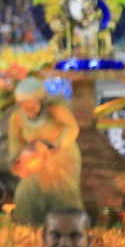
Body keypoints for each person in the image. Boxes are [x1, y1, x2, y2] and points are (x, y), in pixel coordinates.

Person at [8, 77, 83, 225]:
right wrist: (17, 159)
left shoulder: (56, 109)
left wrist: (57, 144)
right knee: (26, 195)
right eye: (24, 107)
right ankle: (29, 233)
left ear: (41, 101)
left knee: (61, 194)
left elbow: (72, 128)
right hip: (35, 163)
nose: (28, 111)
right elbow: (15, 141)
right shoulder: (16, 118)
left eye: (32, 107)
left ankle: (68, 229)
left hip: (61, 159)